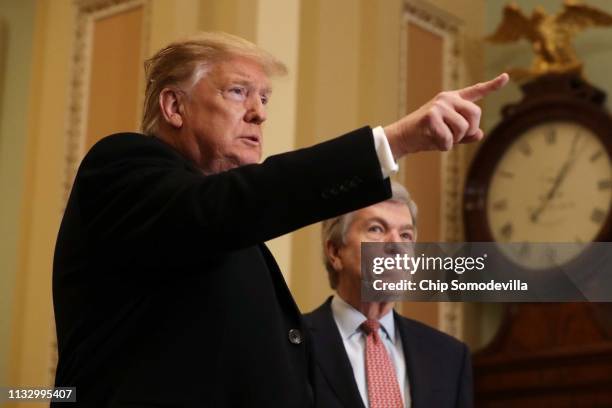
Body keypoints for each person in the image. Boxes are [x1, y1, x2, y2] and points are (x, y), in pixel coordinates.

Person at [52, 31, 506, 407]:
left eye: (264, 98)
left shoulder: (227, 224)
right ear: (174, 107)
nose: (259, 112)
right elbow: (223, 208)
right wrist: (392, 142)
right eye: (238, 92)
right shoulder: (122, 167)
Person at [304, 181, 473, 408]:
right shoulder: (292, 345)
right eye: (376, 229)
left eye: (405, 235)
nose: (396, 245)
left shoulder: (450, 356)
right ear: (335, 251)